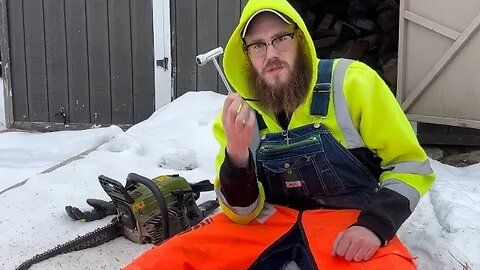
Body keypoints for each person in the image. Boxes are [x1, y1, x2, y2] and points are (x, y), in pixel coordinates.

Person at [124, 0, 434, 269]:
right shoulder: (240, 116)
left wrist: (374, 226)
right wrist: (237, 156)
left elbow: (409, 166)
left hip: (348, 221)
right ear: (246, 56)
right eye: (257, 45)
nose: (270, 54)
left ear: (300, 40)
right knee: (166, 260)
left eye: (280, 38)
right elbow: (242, 214)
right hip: (266, 222)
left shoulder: (353, 84)